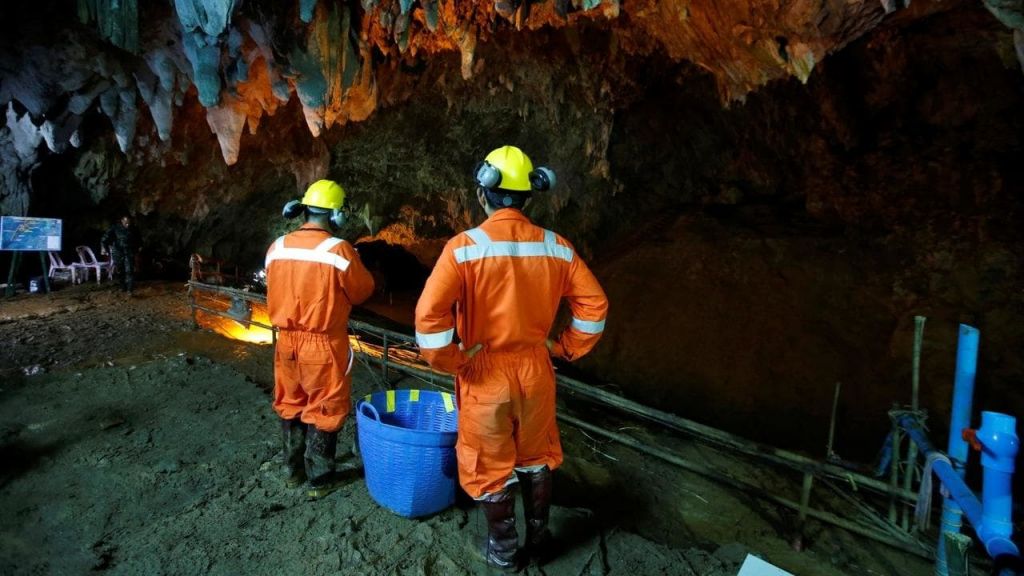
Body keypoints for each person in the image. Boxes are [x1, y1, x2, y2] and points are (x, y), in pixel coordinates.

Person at [415, 146, 609, 570]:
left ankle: (504, 550)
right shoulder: (557, 248)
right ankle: (540, 543)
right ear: (527, 196)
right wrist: (563, 347)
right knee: (537, 456)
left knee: (488, 464)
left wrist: (454, 359)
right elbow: (594, 307)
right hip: (536, 370)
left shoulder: (464, 248)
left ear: (483, 194)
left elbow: (429, 320)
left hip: (484, 370)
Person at [265, 179, 375, 499]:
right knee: (325, 407)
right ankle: (320, 477)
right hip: (323, 343)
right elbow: (362, 291)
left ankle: (291, 471)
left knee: (290, 402)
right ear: (336, 214)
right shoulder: (339, 250)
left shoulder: (278, 246)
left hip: (286, 342)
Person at [101, 215, 140, 294]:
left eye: (129, 223)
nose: (127, 224)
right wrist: (103, 248)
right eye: (126, 223)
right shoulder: (115, 228)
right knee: (120, 270)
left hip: (129, 252)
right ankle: (123, 287)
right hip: (118, 252)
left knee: (129, 270)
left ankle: (130, 290)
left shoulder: (134, 229)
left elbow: (139, 239)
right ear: (122, 221)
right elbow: (105, 238)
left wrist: (138, 248)